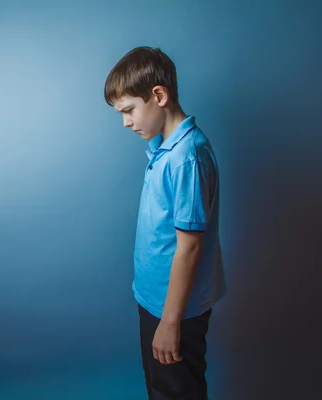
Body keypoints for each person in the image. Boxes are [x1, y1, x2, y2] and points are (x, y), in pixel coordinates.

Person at [104, 46, 227, 400]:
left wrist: (170, 322)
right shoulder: (166, 148)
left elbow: (189, 247)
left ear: (158, 95)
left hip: (176, 310)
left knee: (176, 392)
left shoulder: (187, 158)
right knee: (160, 387)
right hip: (155, 299)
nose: (126, 122)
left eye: (129, 110)